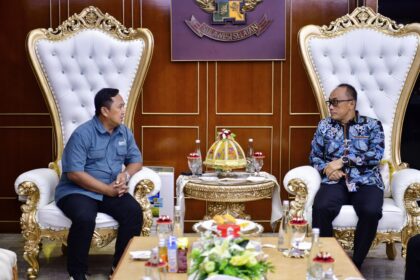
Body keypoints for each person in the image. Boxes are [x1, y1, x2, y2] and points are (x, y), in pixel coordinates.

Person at [55, 88, 143, 280]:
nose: (124, 110)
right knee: (85, 216)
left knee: (133, 211)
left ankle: (119, 268)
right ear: (104, 111)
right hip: (77, 191)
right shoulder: (82, 134)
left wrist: (125, 175)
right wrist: (107, 190)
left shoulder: (124, 133)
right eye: (120, 106)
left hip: (109, 188)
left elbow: (136, 161)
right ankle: (77, 274)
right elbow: (74, 174)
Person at [309, 83, 385, 269]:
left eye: (335, 102)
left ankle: (355, 263)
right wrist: (327, 169)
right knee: (321, 208)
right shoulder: (325, 125)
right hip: (335, 181)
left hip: (366, 181)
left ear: (351, 104)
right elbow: (314, 156)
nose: (331, 107)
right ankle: (328, 259)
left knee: (371, 211)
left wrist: (343, 161)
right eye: (330, 102)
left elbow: (376, 155)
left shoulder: (372, 125)